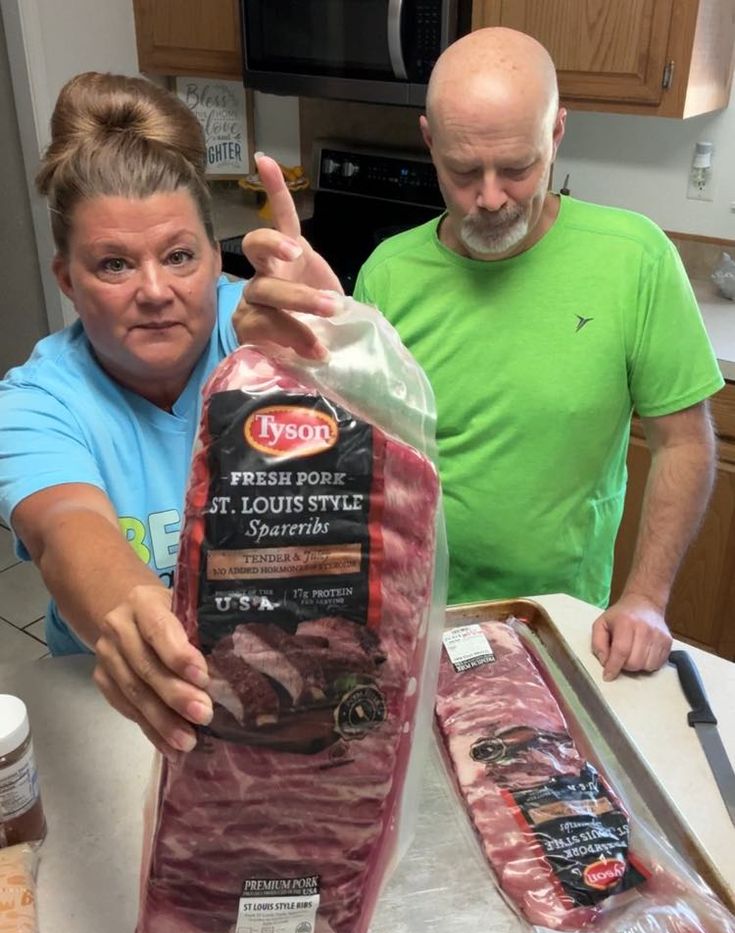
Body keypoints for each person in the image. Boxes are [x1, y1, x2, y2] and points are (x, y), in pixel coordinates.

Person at [238, 28, 724, 681]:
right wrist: (312, 349)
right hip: (409, 615)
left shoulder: (634, 259)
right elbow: (355, 457)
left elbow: (684, 444)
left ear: (555, 133)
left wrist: (646, 598)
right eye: (463, 172)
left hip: (556, 621)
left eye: (516, 168)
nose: (490, 198)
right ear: (428, 142)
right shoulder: (390, 271)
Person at [0, 72, 333, 760]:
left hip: (282, 685)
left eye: (179, 256)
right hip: (114, 702)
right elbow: (68, 530)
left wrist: (335, 347)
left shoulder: (266, 340)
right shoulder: (34, 405)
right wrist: (132, 615)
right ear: (67, 279)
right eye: (114, 265)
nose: (155, 291)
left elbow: (393, 465)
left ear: (217, 257)